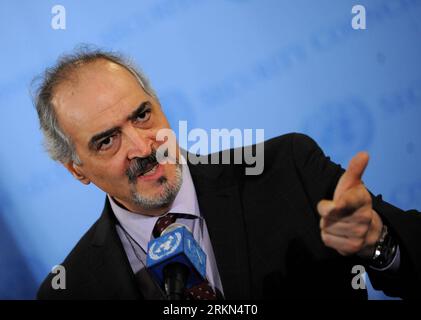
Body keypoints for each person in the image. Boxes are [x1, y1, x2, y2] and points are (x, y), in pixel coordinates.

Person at [34, 48, 421, 299]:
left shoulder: (287, 170)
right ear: (77, 170)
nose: (142, 148)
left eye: (142, 115)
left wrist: (377, 242)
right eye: (107, 141)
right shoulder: (69, 289)